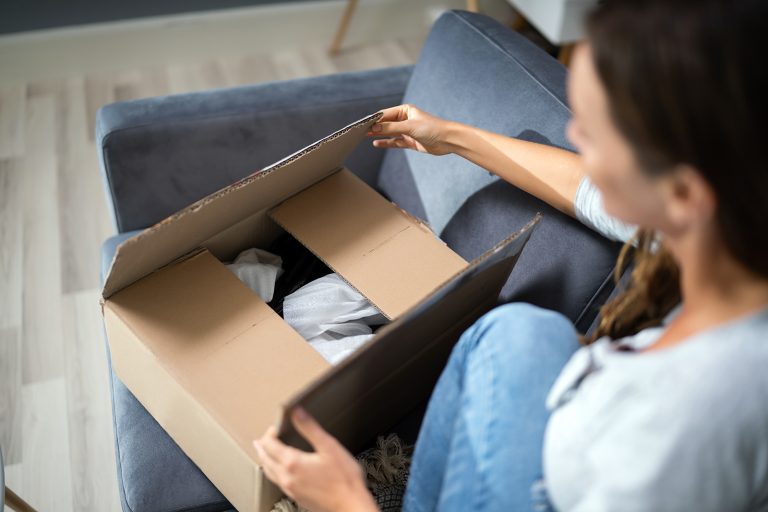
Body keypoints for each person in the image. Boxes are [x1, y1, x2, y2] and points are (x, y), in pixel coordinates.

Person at [253, 0, 768, 510]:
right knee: (520, 332)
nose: (573, 136)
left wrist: (345, 501)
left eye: (595, 130)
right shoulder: (724, 226)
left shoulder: (689, 422)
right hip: (574, 450)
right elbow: (584, 188)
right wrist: (450, 135)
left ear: (682, 191)